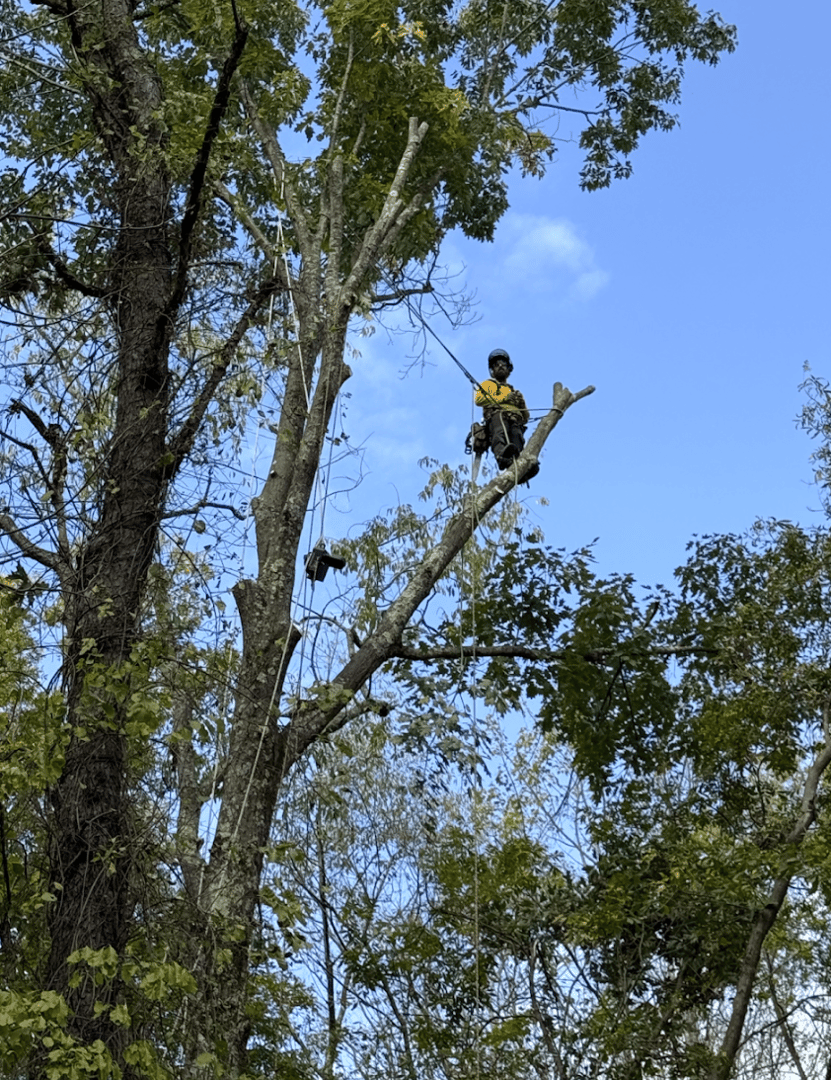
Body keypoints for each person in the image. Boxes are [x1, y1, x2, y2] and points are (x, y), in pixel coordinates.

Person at [474, 348, 539, 479]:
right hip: (497, 415)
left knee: (517, 438)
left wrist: (520, 403)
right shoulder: (489, 384)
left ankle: (520, 468)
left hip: (515, 420)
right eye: (497, 365)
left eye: (503, 364)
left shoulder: (514, 391)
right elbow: (479, 400)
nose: (500, 366)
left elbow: (525, 417)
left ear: (509, 369)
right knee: (500, 432)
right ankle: (501, 457)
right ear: (492, 370)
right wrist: (505, 398)